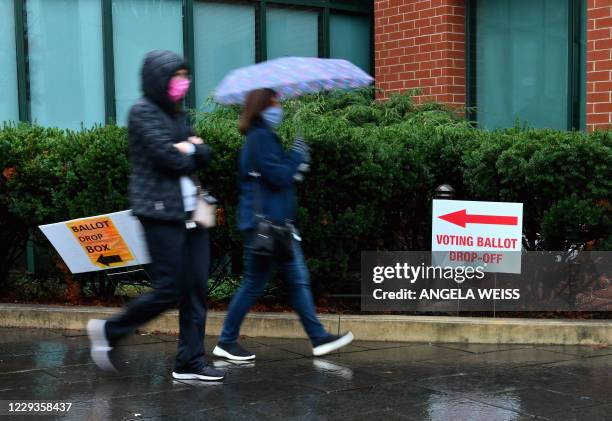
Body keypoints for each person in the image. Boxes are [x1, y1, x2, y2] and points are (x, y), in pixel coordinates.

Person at [87, 50, 224, 382]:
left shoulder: (178, 114)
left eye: (184, 75)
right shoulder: (141, 113)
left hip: (192, 213)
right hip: (160, 214)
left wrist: (189, 148)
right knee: (169, 288)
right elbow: (170, 159)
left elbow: (204, 154)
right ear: (158, 79)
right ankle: (108, 330)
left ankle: (189, 362)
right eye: (176, 76)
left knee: (195, 289)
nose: (183, 83)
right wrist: (190, 147)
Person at [212, 88, 354, 361]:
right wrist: (296, 156)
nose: (280, 106)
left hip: (269, 225)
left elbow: (272, 177)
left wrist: (292, 159)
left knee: (278, 282)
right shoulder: (261, 138)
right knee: (273, 282)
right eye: (275, 101)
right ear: (263, 106)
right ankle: (314, 338)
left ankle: (316, 338)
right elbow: (278, 176)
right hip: (269, 226)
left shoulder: (259, 137)